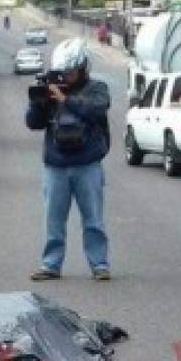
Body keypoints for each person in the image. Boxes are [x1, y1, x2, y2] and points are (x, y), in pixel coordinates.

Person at [25, 37, 111, 281]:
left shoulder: (97, 89)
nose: (66, 76)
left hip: (88, 164)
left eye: (71, 72)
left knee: (93, 219)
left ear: (83, 67)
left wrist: (66, 100)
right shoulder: (52, 88)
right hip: (56, 166)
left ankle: (100, 265)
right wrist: (39, 103)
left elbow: (96, 110)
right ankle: (51, 265)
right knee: (53, 220)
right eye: (64, 72)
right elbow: (33, 123)